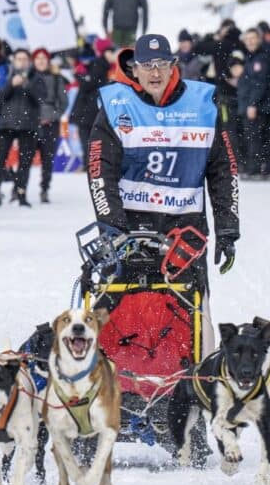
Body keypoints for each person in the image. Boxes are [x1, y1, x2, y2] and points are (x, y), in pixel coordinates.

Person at [88, 33, 239, 357]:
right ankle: (120, 385)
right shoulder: (117, 106)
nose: (154, 73)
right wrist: (112, 227)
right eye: (147, 66)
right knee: (120, 314)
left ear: (173, 67)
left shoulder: (203, 105)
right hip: (129, 229)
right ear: (134, 69)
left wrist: (227, 226)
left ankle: (194, 388)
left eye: (161, 65)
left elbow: (224, 171)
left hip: (186, 231)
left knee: (195, 320)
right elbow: (101, 171)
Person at [0, 49, 43, 206]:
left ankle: (21, 192)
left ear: (29, 61)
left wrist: (27, 85)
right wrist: (11, 84)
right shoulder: (6, 75)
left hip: (28, 124)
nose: (22, 62)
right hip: (6, 124)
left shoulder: (36, 77)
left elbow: (40, 99)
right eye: (19, 59)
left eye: (25, 59)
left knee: (25, 161)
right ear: (14, 61)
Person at [238, 28, 270, 179]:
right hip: (257, 105)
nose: (250, 41)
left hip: (260, 106)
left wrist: (252, 104)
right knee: (260, 137)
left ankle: (257, 169)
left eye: (253, 38)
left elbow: (260, 83)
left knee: (256, 137)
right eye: (247, 38)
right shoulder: (251, 57)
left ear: (259, 39)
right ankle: (266, 168)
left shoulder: (261, 58)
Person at [32, 49, 68, 204]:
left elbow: (63, 102)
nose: (40, 61)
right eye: (37, 58)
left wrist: (53, 116)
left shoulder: (56, 78)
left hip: (50, 124)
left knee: (48, 158)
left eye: (43, 58)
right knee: (24, 157)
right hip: (30, 123)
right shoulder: (28, 77)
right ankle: (18, 188)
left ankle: (44, 189)